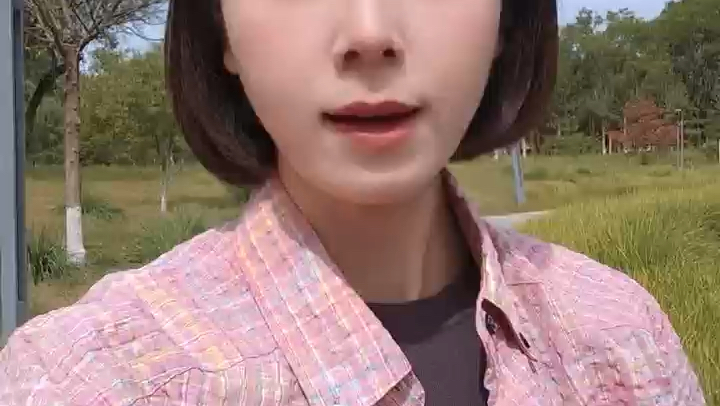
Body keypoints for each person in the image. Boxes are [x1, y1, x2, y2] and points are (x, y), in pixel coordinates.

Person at [0, 0, 705, 404]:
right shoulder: (92, 379)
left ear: (507, 23)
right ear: (220, 30)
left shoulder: (621, 335)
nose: (369, 34)